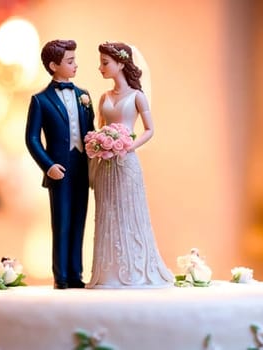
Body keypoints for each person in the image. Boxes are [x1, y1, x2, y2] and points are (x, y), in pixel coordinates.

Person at [85, 41, 174, 288]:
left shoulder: (137, 97)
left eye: (105, 63)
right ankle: (107, 272)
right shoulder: (104, 96)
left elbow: (149, 130)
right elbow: (100, 126)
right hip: (105, 163)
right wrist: (98, 143)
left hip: (126, 162)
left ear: (120, 63)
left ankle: (133, 269)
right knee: (107, 211)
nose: (100, 67)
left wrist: (127, 145)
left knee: (128, 212)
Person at [25, 39, 95, 289]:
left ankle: (77, 274)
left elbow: (90, 132)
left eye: (75, 60)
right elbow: (32, 139)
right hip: (59, 171)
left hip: (82, 167)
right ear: (54, 65)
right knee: (62, 223)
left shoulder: (84, 96)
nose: (76, 65)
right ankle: (62, 276)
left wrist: (97, 156)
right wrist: (48, 165)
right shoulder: (40, 100)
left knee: (79, 221)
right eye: (70, 61)